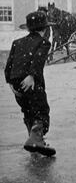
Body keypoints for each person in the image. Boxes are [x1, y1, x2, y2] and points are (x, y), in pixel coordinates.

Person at [4, 11, 56, 156]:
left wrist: (11, 83)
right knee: (41, 111)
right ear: (44, 29)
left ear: (28, 28)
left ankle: (34, 141)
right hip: (31, 82)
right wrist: (31, 75)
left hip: (16, 84)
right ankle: (36, 139)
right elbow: (38, 60)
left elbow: (8, 66)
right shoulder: (44, 43)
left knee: (28, 112)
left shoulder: (17, 43)